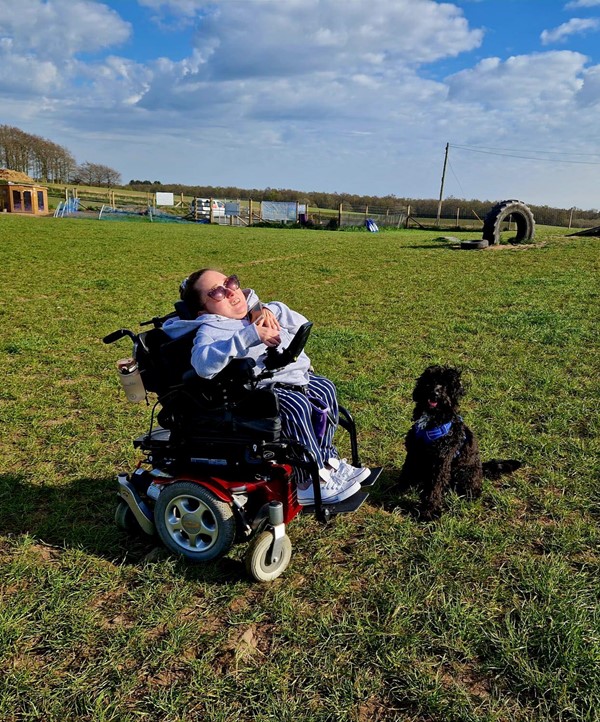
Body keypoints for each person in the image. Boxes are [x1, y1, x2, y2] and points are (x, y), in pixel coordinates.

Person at [163, 268, 369, 505]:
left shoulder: (258, 311)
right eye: (217, 292)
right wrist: (247, 336)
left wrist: (274, 309)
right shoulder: (210, 329)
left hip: (289, 377)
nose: (230, 291)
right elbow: (202, 364)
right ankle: (307, 483)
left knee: (325, 388)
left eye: (230, 282)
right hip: (252, 391)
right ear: (202, 310)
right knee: (295, 405)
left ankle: (326, 462)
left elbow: (302, 323)